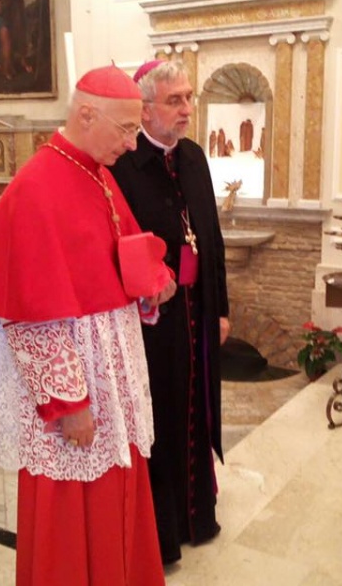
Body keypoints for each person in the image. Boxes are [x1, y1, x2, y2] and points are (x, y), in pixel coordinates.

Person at [0, 65, 174, 585]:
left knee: (119, 491)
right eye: (126, 129)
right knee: (73, 510)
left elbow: (120, 259)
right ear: (86, 113)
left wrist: (151, 288)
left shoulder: (97, 175)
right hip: (76, 389)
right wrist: (68, 404)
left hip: (113, 375)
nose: (131, 144)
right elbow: (32, 316)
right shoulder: (35, 187)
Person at [110, 59, 230, 565]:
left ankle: (198, 515)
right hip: (151, 322)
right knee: (159, 418)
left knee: (196, 410)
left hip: (196, 312)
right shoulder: (123, 164)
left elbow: (212, 239)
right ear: (144, 107)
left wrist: (220, 308)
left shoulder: (195, 157)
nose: (186, 109)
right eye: (174, 100)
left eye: (188, 98)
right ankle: (162, 532)